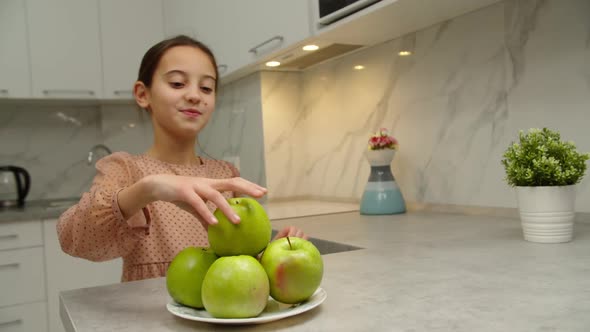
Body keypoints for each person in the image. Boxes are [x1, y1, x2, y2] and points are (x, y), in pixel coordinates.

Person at [57, 35, 307, 282]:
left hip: (219, 316)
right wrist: (150, 188)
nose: (195, 95)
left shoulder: (226, 175)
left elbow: (240, 260)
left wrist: (271, 255)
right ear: (143, 94)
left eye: (206, 87)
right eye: (177, 83)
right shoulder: (126, 170)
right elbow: (74, 239)